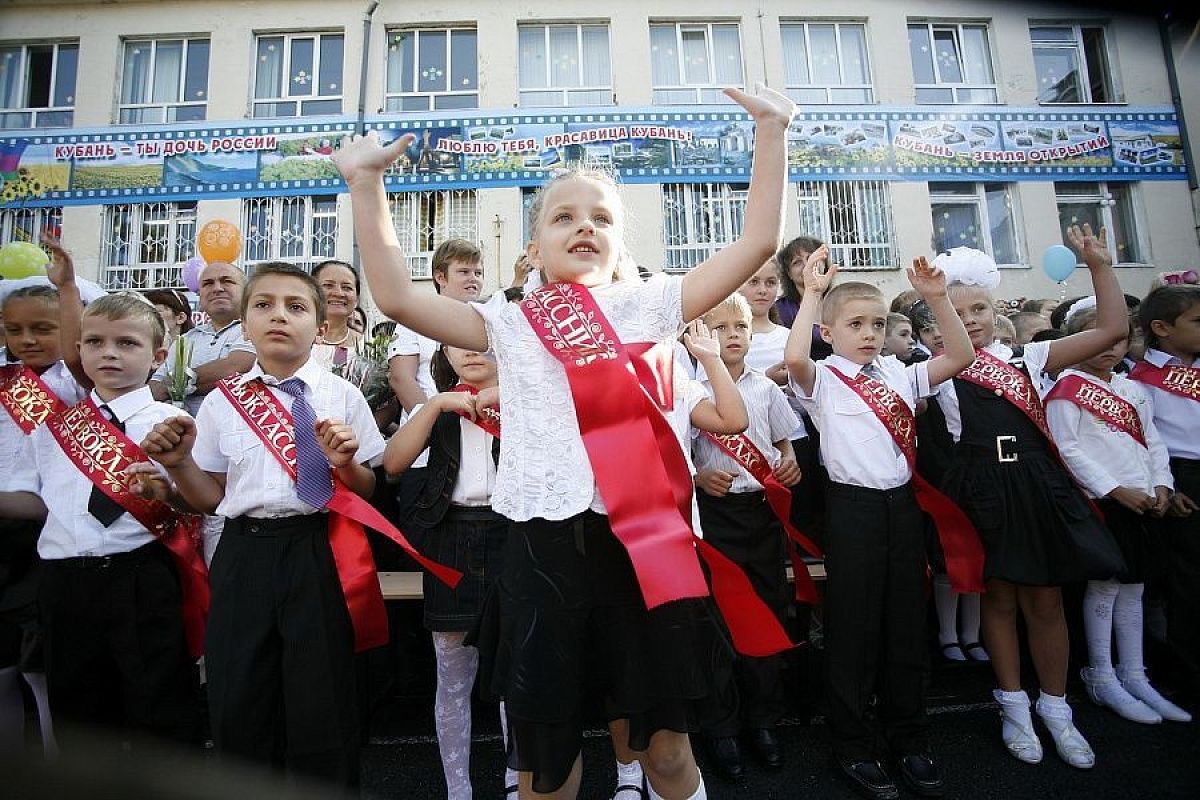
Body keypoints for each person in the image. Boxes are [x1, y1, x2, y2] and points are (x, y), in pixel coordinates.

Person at [333, 84, 796, 800]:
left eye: (601, 218)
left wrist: (772, 133)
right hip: (541, 552)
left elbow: (758, 242)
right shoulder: (511, 322)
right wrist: (367, 185)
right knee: (543, 766)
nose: (584, 227)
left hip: (647, 552)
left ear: (620, 245)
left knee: (668, 753)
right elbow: (395, 296)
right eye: (563, 217)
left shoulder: (655, 304)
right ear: (536, 246)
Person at [139, 262, 387, 790]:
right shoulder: (224, 402)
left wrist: (343, 463)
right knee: (241, 692)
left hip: (319, 552)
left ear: (320, 327)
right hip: (244, 554)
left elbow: (366, 489)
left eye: (296, 307)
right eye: (264, 305)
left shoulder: (342, 396)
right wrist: (181, 463)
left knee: (322, 696)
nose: (279, 316)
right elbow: (211, 497)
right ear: (244, 325)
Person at [785, 249, 976, 800]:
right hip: (852, 511)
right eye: (855, 325)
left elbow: (959, 357)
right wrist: (815, 293)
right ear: (829, 331)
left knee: (905, 626)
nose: (868, 334)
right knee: (852, 629)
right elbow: (796, 357)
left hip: (902, 508)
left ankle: (908, 738)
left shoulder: (899, 372)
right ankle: (852, 742)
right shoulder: (822, 379)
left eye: (876, 324)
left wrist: (938, 300)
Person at [935, 228, 1128, 770]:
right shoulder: (939, 372)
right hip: (983, 493)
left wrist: (1099, 267)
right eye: (956, 310)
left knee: (1045, 600)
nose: (969, 318)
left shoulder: (1030, 356)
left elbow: (1114, 328)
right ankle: (1013, 705)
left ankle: (1057, 707)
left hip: (1037, 486)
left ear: (997, 310)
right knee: (997, 599)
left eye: (978, 308)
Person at [0, 292, 202, 753]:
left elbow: (200, 502)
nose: (108, 352)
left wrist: (167, 492)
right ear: (79, 350)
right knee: (80, 715)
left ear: (158, 356)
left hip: (142, 577)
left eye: (126, 343)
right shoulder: (54, 428)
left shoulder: (173, 422)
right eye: (94, 341)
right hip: (65, 583)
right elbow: (34, 501)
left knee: (159, 707)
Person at [381, 344, 517, 799]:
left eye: (488, 344)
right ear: (445, 353)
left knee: (515, 672)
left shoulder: (525, 400)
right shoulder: (435, 408)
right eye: (461, 344)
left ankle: (519, 778)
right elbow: (394, 463)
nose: (475, 353)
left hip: (512, 536)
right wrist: (436, 401)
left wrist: (508, 396)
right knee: (452, 675)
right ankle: (458, 788)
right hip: (451, 539)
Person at [1046, 304, 1190, 724]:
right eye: (1098, 335)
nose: (1111, 345)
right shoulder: (1067, 387)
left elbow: (1153, 441)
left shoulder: (1133, 390)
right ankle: (1101, 673)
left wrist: (1162, 483)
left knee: (1135, 589)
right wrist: (1113, 489)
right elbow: (1067, 448)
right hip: (1104, 504)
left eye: (1120, 338)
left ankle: (1134, 672)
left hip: (1144, 501)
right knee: (1105, 588)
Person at [691, 293, 800, 778]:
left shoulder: (766, 389)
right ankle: (721, 726)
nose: (733, 334)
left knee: (767, 613)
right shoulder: (689, 390)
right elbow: (675, 453)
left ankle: (763, 719)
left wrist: (789, 460)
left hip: (759, 516)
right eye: (720, 327)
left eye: (739, 326)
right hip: (714, 519)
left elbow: (783, 441)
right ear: (699, 339)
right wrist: (697, 478)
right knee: (717, 621)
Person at [0, 278, 84, 759]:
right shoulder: (6, 380)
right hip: (5, 539)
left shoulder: (70, 382)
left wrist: (67, 287)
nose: (28, 340)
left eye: (42, 328)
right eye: (15, 330)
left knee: (42, 667)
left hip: (45, 535)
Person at [1131, 284, 1200, 697]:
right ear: (1162, 328)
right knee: (1189, 581)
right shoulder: (1143, 381)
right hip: (1182, 477)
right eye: (1196, 321)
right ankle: (1187, 671)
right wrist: (1168, 487)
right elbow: (1146, 440)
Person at [387, 240, 484, 417]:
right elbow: (401, 378)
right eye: (464, 272)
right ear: (440, 277)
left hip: (479, 428)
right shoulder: (414, 320)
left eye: (478, 272)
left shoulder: (488, 320)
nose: (474, 278)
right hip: (428, 433)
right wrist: (433, 424)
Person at [149, 261, 255, 416]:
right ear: (200, 298)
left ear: (246, 294)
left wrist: (173, 386)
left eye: (227, 281)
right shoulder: (185, 339)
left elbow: (236, 367)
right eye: (208, 284)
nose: (217, 288)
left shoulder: (258, 329)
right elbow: (154, 388)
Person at [312, 260, 363, 369]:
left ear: (356, 300)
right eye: (328, 285)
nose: (338, 293)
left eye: (347, 287)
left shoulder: (368, 347)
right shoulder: (294, 340)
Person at [143, 288, 194, 352]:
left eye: (155, 312)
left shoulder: (195, 350)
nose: (145, 317)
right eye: (144, 312)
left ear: (180, 318)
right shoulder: (142, 349)